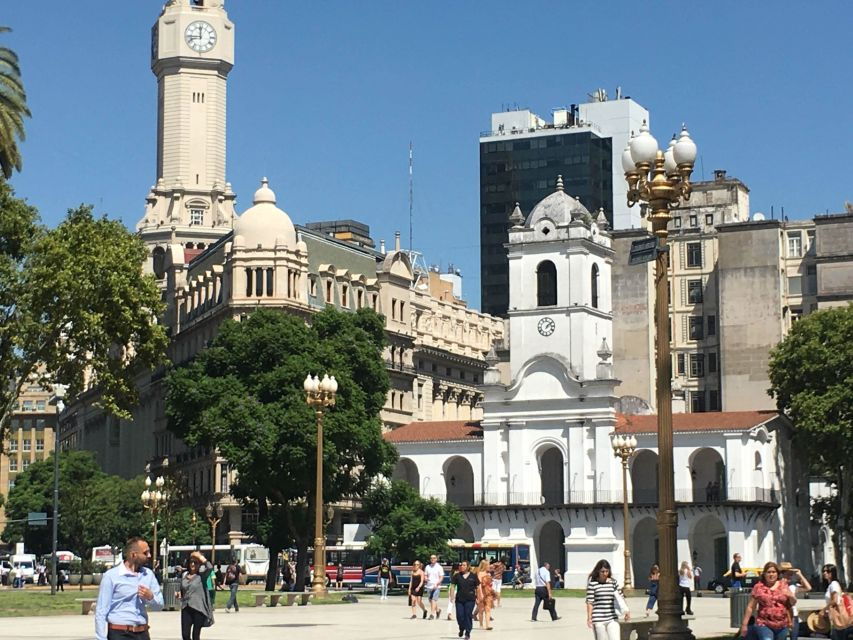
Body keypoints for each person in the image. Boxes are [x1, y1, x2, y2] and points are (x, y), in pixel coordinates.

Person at [94, 537, 164, 640]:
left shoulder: (148, 575)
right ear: (133, 554)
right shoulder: (112, 576)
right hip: (120, 633)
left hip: (142, 633)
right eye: (145, 553)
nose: (149, 556)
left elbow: (160, 606)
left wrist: (150, 597)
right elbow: (101, 610)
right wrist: (101, 638)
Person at [740, 561, 795, 640]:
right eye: (769, 572)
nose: (771, 574)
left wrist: (790, 621)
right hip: (763, 623)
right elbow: (751, 607)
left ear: (777, 574)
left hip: (782, 625)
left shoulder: (783, 585)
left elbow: (789, 605)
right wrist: (744, 624)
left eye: (773, 572)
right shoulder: (758, 587)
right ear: (764, 574)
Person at [586, 559, 630, 640]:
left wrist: (627, 611)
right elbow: (590, 602)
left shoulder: (613, 582)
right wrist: (589, 618)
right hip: (598, 619)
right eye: (602, 571)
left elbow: (620, 597)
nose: (605, 574)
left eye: (607, 571)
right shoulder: (593, 584)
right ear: (598, 571)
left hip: (612, 617)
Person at [178, 551, 213, 640]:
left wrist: (200, 557)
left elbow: (210, 567)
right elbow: (183, 590)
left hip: (198, 608)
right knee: (185, 635)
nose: (193, 564)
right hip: (186, 607)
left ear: (200, 564)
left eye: (195, 562)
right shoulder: (184, 575)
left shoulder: (202, 576)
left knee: (195, 636)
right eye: (191, 562)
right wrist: (179, 594)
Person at [450, 560, 480, 640]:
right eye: (461, 565)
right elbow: (452, 586)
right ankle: (461, 628)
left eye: (464, 565)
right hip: (459, 599)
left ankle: (467, 632)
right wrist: (452, 596)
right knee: (460, 616)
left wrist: (478, 597)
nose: (462, 566)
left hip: (470, 599)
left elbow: (477, 587)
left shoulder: (473, 576)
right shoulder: (457, 576)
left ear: (468, 566)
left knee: (468, 615)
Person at [820, 563, 852, 640]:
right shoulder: (831, 585)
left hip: (837, 614)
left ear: (833, 573)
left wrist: (824, 609)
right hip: (834, 615)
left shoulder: (833, 584)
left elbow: (834, 600)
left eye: (828, 571)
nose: (825, 573)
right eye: (823, 571)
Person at [781, 562, 811, 640]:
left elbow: (808, 588)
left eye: (791, 574)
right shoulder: (777, 585)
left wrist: (800, 575)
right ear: (782, 574)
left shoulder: (792, 586)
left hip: (793, 615)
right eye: (788, 574)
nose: (790, 576)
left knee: (794, 637)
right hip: (781, 615)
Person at [475, 559, 494, 630]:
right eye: (488, 565)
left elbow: (490, 584)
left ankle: (488, 625)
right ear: (485, 565)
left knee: (488, 609)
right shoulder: (480, 574)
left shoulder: (488, 574)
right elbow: (479, 585)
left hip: (488, 593)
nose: (489, 566)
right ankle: (481, 624)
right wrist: (480, 594)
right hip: (482, 593)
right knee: (481, 609)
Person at [424, 554, 444, 620]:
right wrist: (426, 578)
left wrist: (437, 583)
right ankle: (438, 610)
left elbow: (441, 577)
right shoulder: (427, 567)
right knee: (430, 600)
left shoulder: (439, 567)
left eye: (434, 558)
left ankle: (432, 614)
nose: (432, 559)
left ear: (436, 559)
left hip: (436, 586)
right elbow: (425, 575)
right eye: (431, 558)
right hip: (429, 586)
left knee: (433, 600)